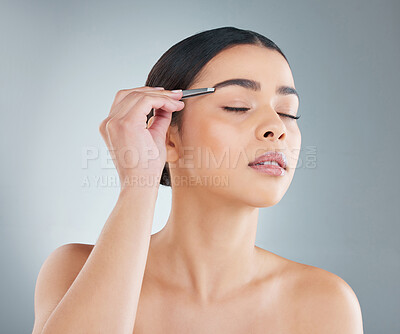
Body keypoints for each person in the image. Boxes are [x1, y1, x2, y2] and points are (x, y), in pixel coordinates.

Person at [32, 26, 364, 333]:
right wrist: (138, 185)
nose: (276, 127)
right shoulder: (74, 271)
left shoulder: (324, 301)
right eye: (237, 106)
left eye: (288, 111)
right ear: (170, 138)